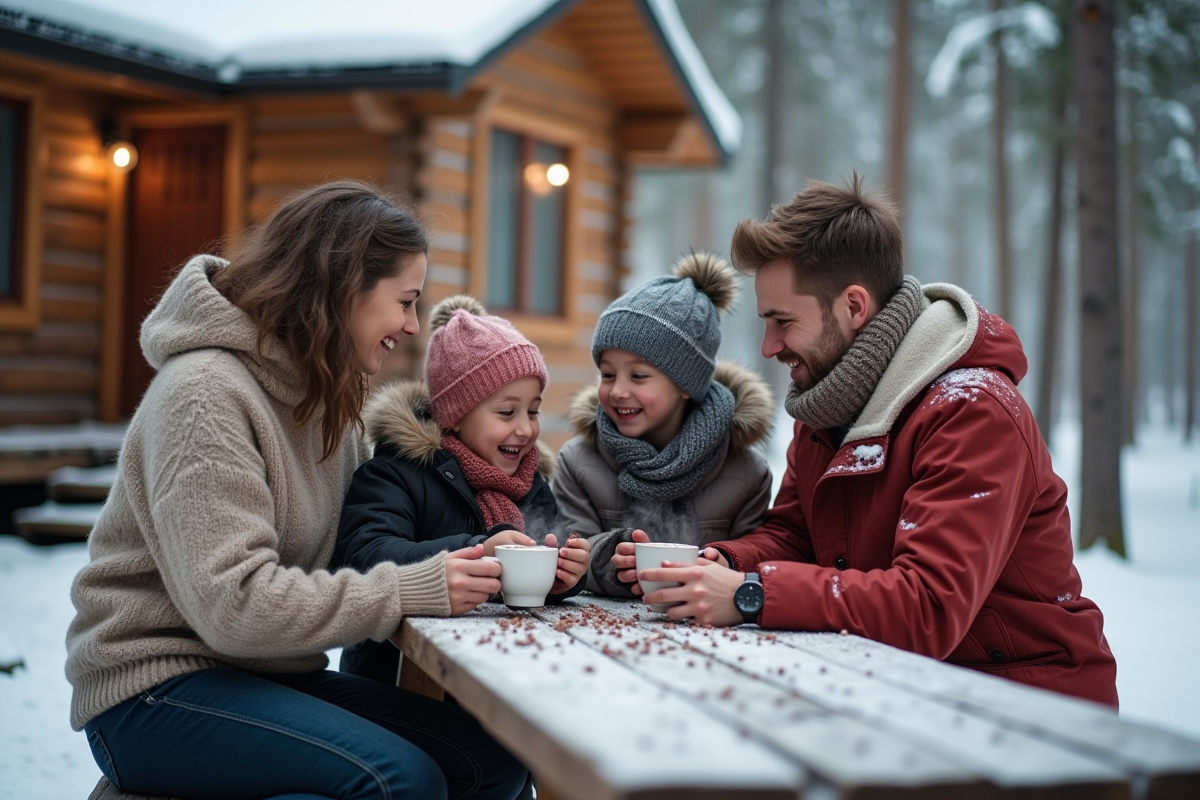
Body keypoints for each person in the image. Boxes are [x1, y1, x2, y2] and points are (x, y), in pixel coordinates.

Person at [65, 181, 529, 800]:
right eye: (406, 301)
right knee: (399, 780)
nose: (412, 326)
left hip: (266, 677)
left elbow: (362, 547)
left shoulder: (326, 400)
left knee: (490, 761)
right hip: (154, 689)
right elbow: (236, 607)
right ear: (344, 289)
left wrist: (483, 552)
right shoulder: (205, 395)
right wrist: (415, 584)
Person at [636, 175, 1119, 707]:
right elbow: (797, 539)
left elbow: (928, 606)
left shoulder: (972, 412)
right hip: (900, 683)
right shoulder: (829, 404)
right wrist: (718, 565)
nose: (769, 347)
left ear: (855, 307)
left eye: (783, 322)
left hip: (1029, 707)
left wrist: (753, 595)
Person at [334, 295, 590, 684]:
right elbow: (364, 557)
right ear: (455, 415)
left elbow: (548, 548)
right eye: (507, 412)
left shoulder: (527, 482)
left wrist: (567, 574)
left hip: (507, 676)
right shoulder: (397, 473)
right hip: (400, 687)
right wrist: (475, 551)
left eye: (533, 411)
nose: (526, 429)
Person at [553, 252, 774, 597]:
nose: (618, 391)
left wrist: (723, 564)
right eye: (608, 374)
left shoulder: (745, 472)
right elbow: (568, 548)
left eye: (639, 375)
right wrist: (609, 557)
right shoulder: (579, 462)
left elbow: (759, 554)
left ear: (687, 384)